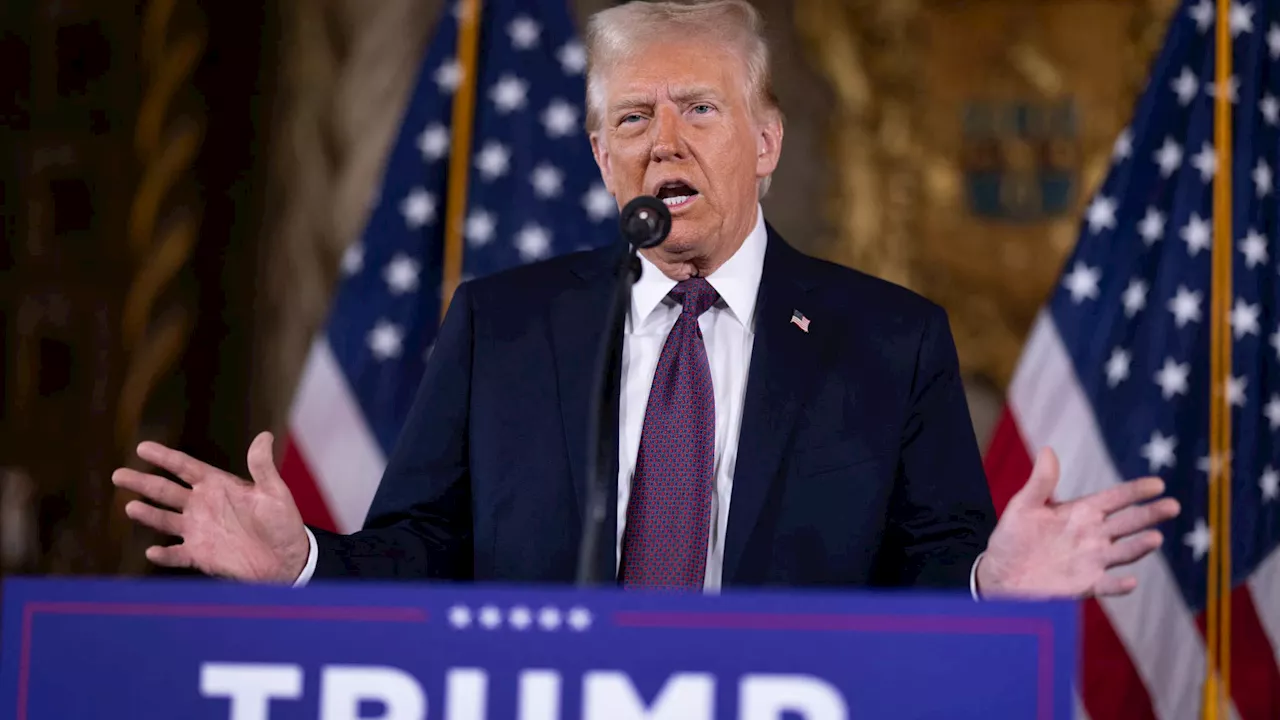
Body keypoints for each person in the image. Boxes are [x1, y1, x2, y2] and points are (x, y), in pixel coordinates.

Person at [112, 0, 1179, 598]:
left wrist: (995, 578)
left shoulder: (888, 340)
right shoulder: (502, 325)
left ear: (764, 142)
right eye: (629, 119)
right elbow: (416, 556)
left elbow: (933, 568)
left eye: (698, 109)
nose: (660, 141)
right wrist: (299, 560)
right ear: (596, 153)